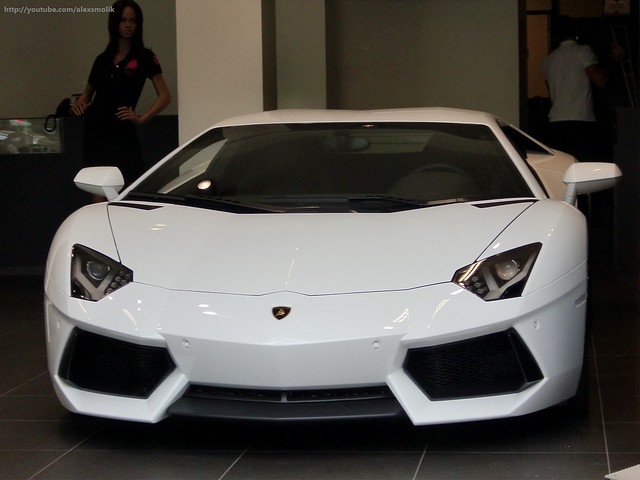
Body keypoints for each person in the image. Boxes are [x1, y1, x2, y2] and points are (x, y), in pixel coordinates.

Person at [71, 0, 171, 188]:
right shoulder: (102, 59)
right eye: (123, 20)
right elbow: (87, 95)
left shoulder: (145, 57)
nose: (128, 25)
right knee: (98, 187)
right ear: (115, 22)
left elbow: (165, 95)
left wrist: (142, 118)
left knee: (130, 185)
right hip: (96, 130)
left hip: (123, 130)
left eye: (133, 21)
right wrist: (78, 105)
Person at [543, 15, 622, 161]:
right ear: (576, 34)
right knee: (583, 166)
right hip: (580, 119)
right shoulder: (583, 51)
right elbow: (600, 81)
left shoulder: (549, 59)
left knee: (563, 165)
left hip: (556, 120)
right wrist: (613, 60)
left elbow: (550, 90)